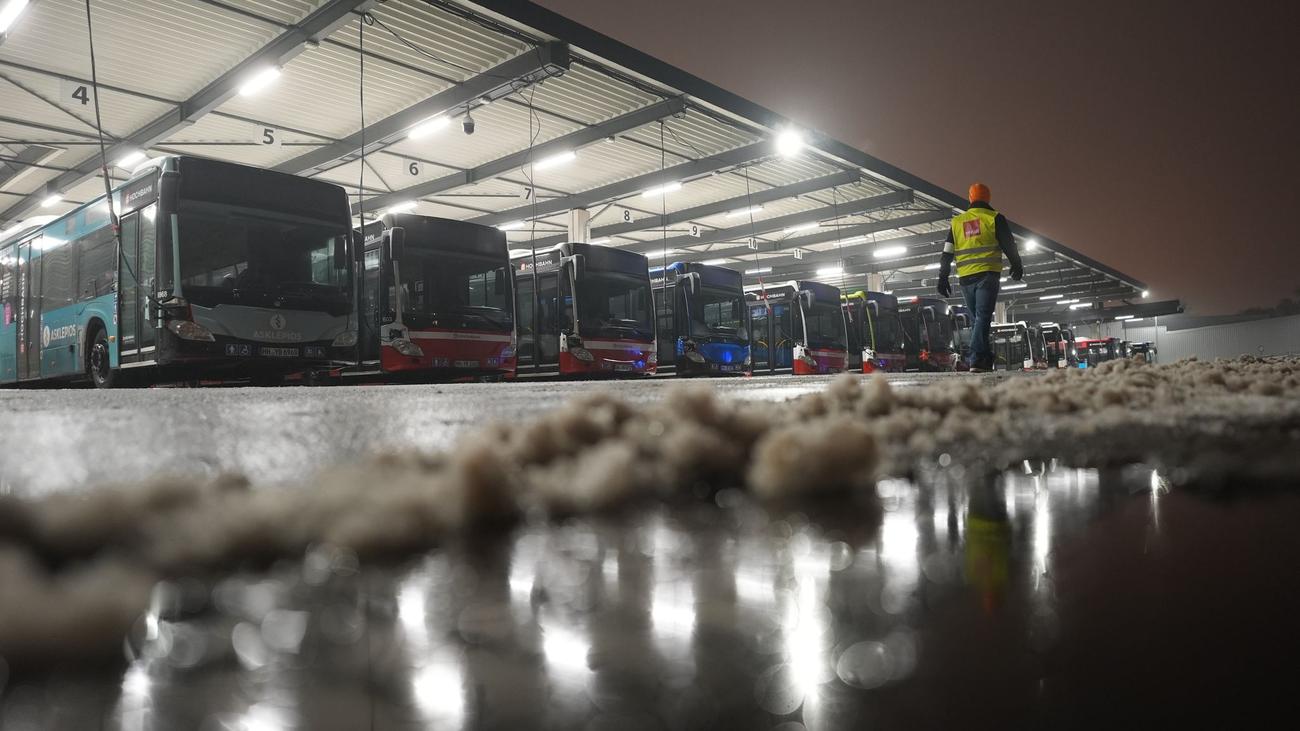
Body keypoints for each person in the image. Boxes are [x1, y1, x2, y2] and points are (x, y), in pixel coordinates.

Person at [937, 183, 1024, 372]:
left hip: (965, 278)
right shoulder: (994, 218)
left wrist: (942, 276)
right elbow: (1009, 244)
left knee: (979, 319)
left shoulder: (957, 222)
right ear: (988, 198)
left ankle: (985, 359)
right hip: (987, 275)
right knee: (982, 318)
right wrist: (1017, 265)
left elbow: (947, 253)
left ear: (970, 198)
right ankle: (976, 358)